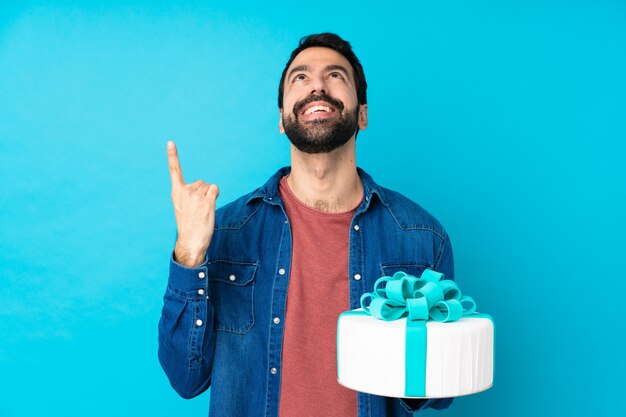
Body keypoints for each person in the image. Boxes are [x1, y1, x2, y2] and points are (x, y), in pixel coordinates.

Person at [158, 33, 454, 417]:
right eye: (300, 77)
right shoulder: (226, 231)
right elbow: (186, 379)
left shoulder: (421, 237)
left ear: (362, 114)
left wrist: (410, 345)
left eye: (335, 75)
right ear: (282, 118)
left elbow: (437, 393)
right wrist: (190, 255)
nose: (317, 85)